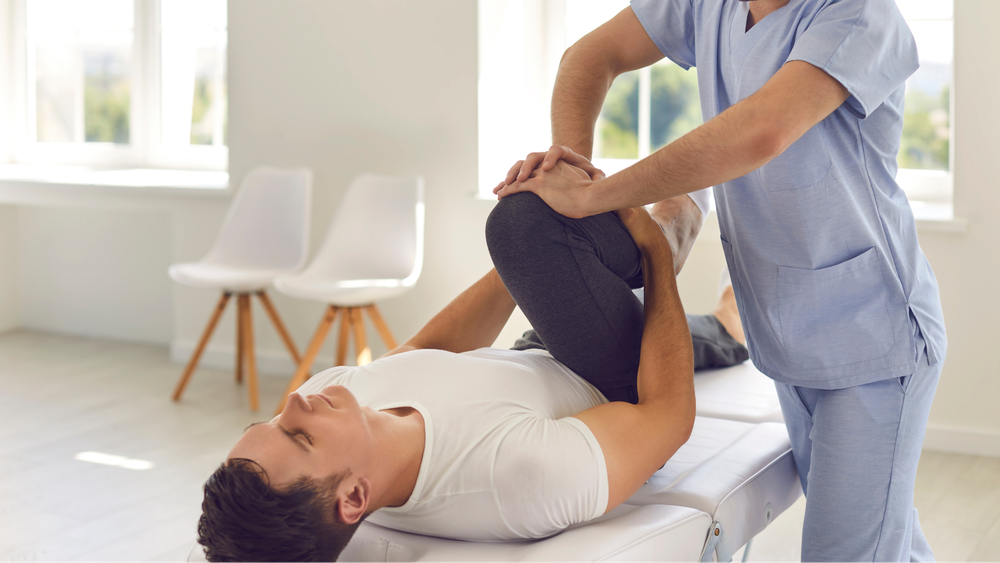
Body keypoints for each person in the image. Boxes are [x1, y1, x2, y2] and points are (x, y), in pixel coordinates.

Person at [494, 1, 946, 561]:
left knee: (850, 550)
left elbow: (762, 131)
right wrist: (571, 166)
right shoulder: (710, 6)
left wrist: (591, 198)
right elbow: (590, 56)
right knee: (883, 532)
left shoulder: (860, 16)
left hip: (873, 339)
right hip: (787, 338)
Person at [195, 191, 750, 563]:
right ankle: (681, 226)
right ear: (354, 498)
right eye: (298, 436)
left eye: (269, 421)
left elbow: (424, 352)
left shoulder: (336, 409)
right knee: (524, 224)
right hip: (615, 383)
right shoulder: (513, 479)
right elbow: (667, 419)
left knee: (528, 233)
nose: (295, 400)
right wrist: (654, 256)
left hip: (534, 356)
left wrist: (519, 273)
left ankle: (723, 311)